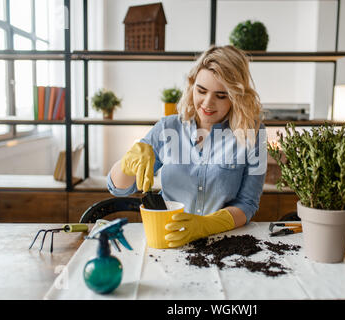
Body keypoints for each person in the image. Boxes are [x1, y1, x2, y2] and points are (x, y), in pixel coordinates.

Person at [108, 45, 267, 248]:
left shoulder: (254, 134)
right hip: (168, 241)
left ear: (236, 96)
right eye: (201, 91)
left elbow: (248, 204)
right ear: (192, 85)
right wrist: (126, 165)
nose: (207, 103)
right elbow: (118, 188)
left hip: (222, 243)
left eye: (221, 95)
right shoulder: (167, 128)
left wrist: (206, 225)